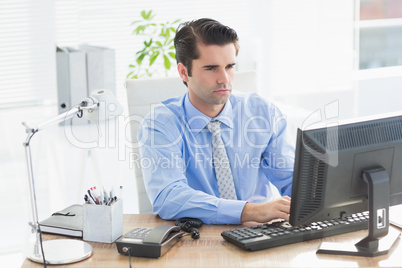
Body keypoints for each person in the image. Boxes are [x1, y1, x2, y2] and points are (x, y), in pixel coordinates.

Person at [138, 18, 294, 225]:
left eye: (229, 66)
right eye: (211, 68)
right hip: (198, 238)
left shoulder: (263, 113)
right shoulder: (160, 124)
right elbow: (168, 197)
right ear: (184, 72)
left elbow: (292, 179)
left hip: (261, 234)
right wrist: (249, 211)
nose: (225, 79)